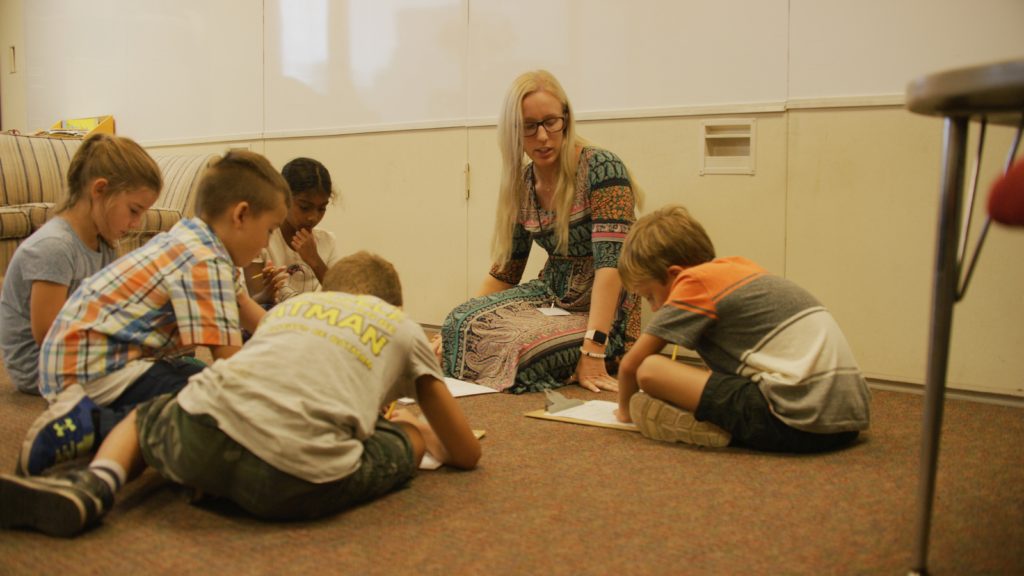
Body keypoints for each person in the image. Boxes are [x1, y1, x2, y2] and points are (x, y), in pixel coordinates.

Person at [0, 251, 481, 537]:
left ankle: (97, 483)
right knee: (407, 432)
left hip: (198, 436)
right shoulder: (400, 325)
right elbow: (466, 452)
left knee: (151, 416)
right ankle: (408, 437)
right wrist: (414, 428)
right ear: (391, 303)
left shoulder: (290, 310)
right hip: (291, 479)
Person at [15, 150, 291, 476]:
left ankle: (96, 419)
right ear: (241, 215)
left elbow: (253, 314)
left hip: (80, 359)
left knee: (192, 373)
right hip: (91, 365)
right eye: (270, 231)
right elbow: (229, 363)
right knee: (207, 396)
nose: (265, 245)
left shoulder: (195, 240)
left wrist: (296, 339)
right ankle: (89, 426)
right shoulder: (205, 260)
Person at [437, 69, 642, 394]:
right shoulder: (522, 182)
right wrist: (459, 327)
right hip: (551, 291)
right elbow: (506, 272)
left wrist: (594, 348)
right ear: (514, 132)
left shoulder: (602, 167)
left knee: (526, 351)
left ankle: (604, 353)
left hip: (606, 307)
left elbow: (611, 268)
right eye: (529, 127)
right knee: (457, 321)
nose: (543, 137)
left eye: (551, 122)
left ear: (566, 120)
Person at [613, 204, 871, 453]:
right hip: (847, 422)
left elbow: (631, 366)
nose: (656, 309)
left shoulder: (693, 283)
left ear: (674, 274)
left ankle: (711, 427)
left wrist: (623, 413)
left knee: (652, 369)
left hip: (794, 423)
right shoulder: (739, 269)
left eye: (650, 296)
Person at [0, 134, 162, 396]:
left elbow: (112, 308)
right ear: (99, 190)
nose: (136, 224)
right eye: (134, 210)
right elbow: (49, 337)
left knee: (177, 370)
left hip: (79, 357)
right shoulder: (53, 247)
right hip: (42, 368)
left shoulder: (104, 244)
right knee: (162, 384)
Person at [245, 157, 339, 305]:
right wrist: (266, 294)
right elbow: (254, 300)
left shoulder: (327, 241)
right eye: (304, 207)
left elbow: (343, 298)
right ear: (284, 198)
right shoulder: (262, 239)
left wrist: (315, 261)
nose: (313, 217)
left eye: (322, 208)